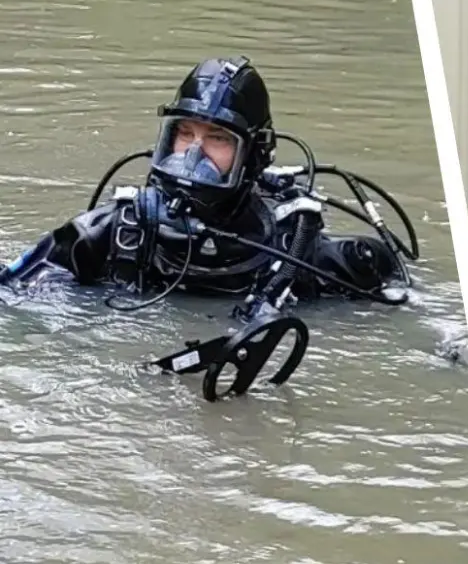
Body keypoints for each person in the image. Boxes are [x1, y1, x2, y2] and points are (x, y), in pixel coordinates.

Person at [0, 56, 418, 400]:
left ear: (253, 156)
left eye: (217, 138)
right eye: (184, 133)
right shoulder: (119, 229)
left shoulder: (290, 247)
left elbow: (399, 294)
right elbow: (13, 295)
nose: (193, 153)